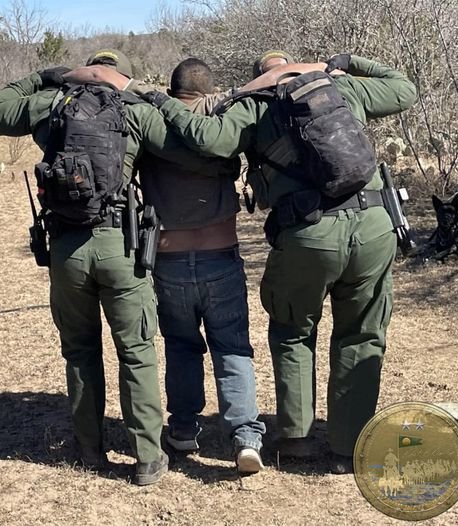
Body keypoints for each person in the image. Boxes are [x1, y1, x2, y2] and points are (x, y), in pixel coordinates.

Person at [140, 53, 417, 474]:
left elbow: (207, 138)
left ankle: (298, 440)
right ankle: (348, 448)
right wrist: (346, 61)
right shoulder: (340, 88)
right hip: (375, 226)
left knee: (293, 331)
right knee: (362, 335)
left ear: (261, 77)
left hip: (307, 234)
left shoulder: (257, 104)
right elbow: (404, 88)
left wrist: (161, 102)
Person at [0, 48, 201, 485]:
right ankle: (146, 457)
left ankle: (88, 449)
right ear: (119, 75)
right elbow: (191, 144)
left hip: (67, 249)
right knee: (136, 352)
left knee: (80, 353)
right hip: (121, 244)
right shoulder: (133, 108)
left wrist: (43, 75)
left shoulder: (52, 104)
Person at [138, 58, 265, 473]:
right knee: (232, 348)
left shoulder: (153, 123)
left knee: (181, 346)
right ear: (208, 89)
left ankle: (184, 428)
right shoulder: (223, 122)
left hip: (169, 259)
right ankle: (246, 436)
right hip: (221, 254)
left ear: (172, 89)